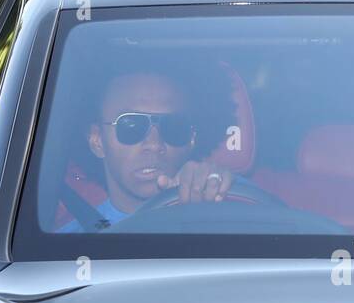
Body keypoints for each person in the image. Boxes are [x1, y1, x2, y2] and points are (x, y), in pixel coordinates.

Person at [57, 62, 237, 232]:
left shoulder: (237, 209)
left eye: (174, 126)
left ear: (192, 139)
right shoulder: (66, 250)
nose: (154, 144)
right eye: (131, 126)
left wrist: (221, 189)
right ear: (97, 140)